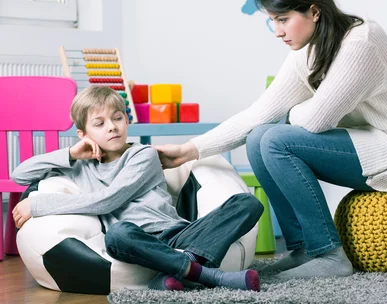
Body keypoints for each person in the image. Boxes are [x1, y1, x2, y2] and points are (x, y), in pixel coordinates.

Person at [155, 0, 387, 280]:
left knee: (275, 139)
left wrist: (289, 114)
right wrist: (187, 151)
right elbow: (258, 114)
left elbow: (319, 120)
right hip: (367, 140)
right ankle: (303, 248)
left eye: (283, 19)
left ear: (314, 11)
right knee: (258, 137)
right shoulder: (308, 51)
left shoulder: (362, 42)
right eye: (272, 21)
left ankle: (330, 255)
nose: (277, 31)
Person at [11, 86, 263, 292]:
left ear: (126, 121)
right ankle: (208, 275)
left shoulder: (142, 155)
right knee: (118, 233)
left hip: (178, 234)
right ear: (83, 133)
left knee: (248, 203)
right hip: (133, 241)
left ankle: (173, 273)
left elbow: (108, 201)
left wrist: (37, 205)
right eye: (99, 123)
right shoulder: (78, 166)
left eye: (118, 118)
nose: (112, 127)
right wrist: (70, 153)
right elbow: (20, 174)